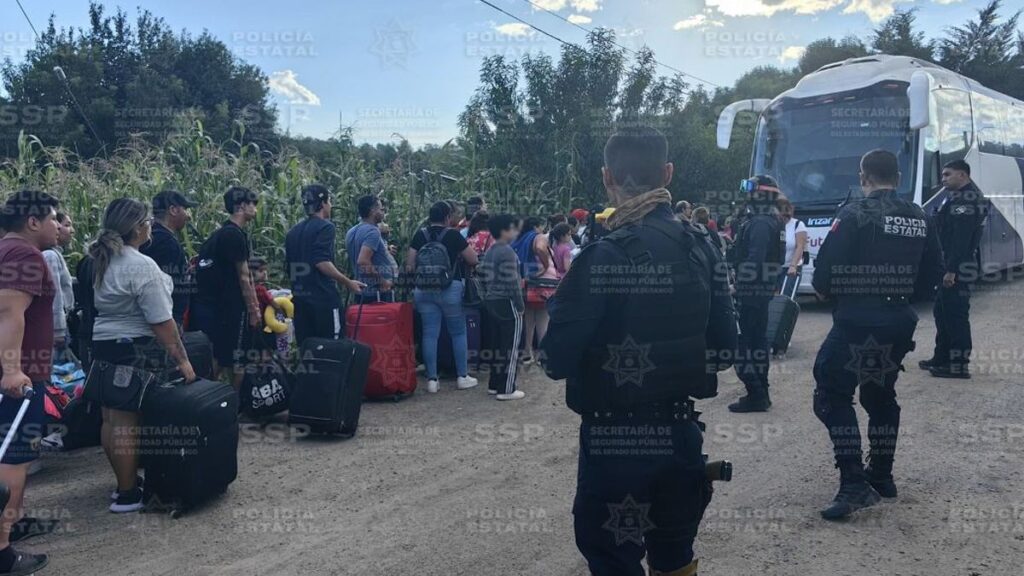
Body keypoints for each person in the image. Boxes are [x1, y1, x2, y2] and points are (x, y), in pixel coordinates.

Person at [542, 127, 737, 576]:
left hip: (614, 448)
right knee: (674, 556)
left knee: (614, 560)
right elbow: (727, 348)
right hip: (680, 436)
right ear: (667, 172)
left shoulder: (600, 256)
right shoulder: (704, 246)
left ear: (608, 177)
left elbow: (554, 360)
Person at [811, 149, 943, 519]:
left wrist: (836, 291)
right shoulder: (921, 216)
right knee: (880, 395)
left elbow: (825, 272)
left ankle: (854, 483)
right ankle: (882, 476)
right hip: (899, 319)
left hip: (858, 319)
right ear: (898, 178)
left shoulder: (854, 213)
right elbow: (935, 273)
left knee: (831, 394)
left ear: (863, 176)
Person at [88, 198, 197, 513]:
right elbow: (162, 322)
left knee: (111, 417)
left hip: (105, 344)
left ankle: (125, 484)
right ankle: (127, 493)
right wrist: (183, 361)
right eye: (148, 220)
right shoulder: (141, 265)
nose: (151, 225)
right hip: (134, 347)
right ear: (138, 228)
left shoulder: (101, 259)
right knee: (127, 422)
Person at [0, 190, 60, 575]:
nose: (58, 225)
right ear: (33, 222)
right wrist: (11, 370)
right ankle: (3, 552)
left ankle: (12, 524)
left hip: (19, 374)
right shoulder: (22, 253)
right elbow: (8, 311)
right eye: (53, 218)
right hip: (18, 379)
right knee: (12, 461)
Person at [921, 160, 989, 379]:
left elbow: (961, 239)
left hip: (959, 266)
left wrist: (951, 270)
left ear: (962, 175)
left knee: (955, 315)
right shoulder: (957, 197)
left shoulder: (967, 200)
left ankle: (958, 364)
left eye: (947, 174)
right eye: (942, 175)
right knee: (941, 311)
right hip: (951, 263)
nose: (943, 179)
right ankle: (942, 357)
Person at [193, 186, 262, 390]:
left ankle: (207, 398)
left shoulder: (218, 234)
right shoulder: (234, 235)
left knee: (220, 357)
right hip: (232, 308)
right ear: (241, 206)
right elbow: (244, 276)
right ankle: (232, 406)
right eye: (253, 204)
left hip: (214, 308)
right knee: (237, 360)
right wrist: (254, 310)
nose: (256, 209)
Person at [407, 201, 480, 393]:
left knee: (430, 333)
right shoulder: (453, 235)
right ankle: (462, 376)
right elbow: (473, 259)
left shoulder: (419, 235)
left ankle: (432, 380)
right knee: (458, 332)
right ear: (447, 217)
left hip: (423, 291)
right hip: (450, 289)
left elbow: (409, 265)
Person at [728, 175, 784, 413]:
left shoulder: (760, 222)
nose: (746, 192)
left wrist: (738, 286)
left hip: (751, 292)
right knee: (758, 342)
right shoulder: (770, 220)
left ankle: (756, 393)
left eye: (749, 188)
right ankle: (762, 392)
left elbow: (755, 258)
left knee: (741, 344)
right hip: (762, 290)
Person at [478, 214, 525, 400]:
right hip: (507, 301)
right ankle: (506, 389)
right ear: (505, 231)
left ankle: (494, 384)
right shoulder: (507, 251)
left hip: (492, 300)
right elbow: (513, 282)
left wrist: (487, 294)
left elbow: (480, 274)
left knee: (497, 344)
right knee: (511, 346)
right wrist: (520, 304)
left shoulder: (491, 250)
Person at [141, 190, 197, 326]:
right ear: (173, 210)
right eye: (185, 209)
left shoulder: (147, 236)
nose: (188, 215)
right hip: (164, 320)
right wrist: (175, 320)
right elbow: (166, 286)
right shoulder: (166, 242)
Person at [512, 217, 557, 364]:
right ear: (536, 227)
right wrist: (544, 265)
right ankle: (542, 355)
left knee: (529, 320)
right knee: (543, 319)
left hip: (527, 281)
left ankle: (527, 352)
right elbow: (540, 248)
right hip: (543, 283)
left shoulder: (519, 239)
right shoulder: (538, 237)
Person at [344, 194, 395, 304]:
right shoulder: (372, 231)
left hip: (361, 291)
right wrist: (383, 281)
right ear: (373, 211)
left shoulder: (352, 231)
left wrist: (385, 252)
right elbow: (363, 261)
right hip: (376, 294)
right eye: (381, 209)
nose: (383, 213)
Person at [43, 212, 75, 363]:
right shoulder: (50, 256)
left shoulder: (55, 254)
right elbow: (54, 294)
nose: (72, 230)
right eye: (67, 225)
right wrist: (59, 329)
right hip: (56, 327)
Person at [777, 195, 808, 299]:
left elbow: (800, 246)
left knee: (786, 298)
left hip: (791, 267)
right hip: (775, 267)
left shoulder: (798, 225)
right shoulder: (773, 224)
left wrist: (793, 265)